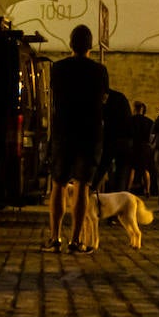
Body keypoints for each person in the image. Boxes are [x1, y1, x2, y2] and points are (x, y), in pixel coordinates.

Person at [43, 24, 110, 254]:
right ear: (90, 46)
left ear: (70, 44)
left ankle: (54, 238)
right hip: (90, 133)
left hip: (63, 131)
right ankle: (76, 240)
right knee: (83, 186)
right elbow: (103, 97)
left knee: (58, 184)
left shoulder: (58, 68)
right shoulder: (99, 71)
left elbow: (54, 95)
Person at [96, 88, 132, 193]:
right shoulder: (120, 97)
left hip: (112, 138)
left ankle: (92, 192)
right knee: (122, 172)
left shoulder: (104, 100)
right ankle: (119, 195)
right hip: (126, 140)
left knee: (102, 167)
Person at [124, 101, 156, 196]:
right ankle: (147, 190)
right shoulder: (149, 121)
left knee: (132, 169)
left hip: (133, 146)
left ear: (134, 109)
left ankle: (128, 190)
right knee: (145, 170)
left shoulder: (129, 120)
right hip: (145, 147)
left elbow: (126, 134)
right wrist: (151, 145)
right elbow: (153, 136)